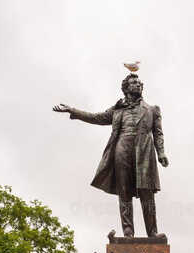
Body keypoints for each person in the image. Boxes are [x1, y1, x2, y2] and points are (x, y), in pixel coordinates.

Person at [52, 70, 167, 239]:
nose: (138, 84)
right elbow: (96, 117)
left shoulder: (152, 110)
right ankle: (128, 232)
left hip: (144, 152)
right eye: (134, 83)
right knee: (124, 191)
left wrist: (161, 152)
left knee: (146, 192)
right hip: (122, 149)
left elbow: (158, 133)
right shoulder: (117, 110)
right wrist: (73, 110)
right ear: (126, 88)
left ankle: (153, 232)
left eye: (139, 83)